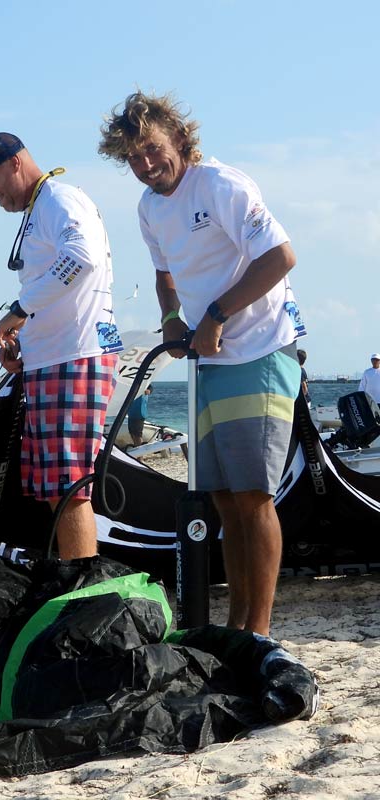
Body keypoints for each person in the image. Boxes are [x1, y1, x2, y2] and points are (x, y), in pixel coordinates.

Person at [99, 92, 305, 636]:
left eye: (152, 149)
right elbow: (166, 275)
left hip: (258, 352)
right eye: (133, 159)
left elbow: (280, 256)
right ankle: (236, 629)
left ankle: (256, 635)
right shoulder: (149, 208)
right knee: (224, 501)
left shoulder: (220, 185)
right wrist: (171, 316)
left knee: (254, 497)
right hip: (207, 365)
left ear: (179, 139)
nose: (145, 165)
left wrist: (215, 314)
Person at [0, 132, 121, 560]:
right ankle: (70, 578)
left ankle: (82, 588)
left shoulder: (59, 200)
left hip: (77, 355)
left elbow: (82, 257)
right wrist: (26, 345)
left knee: (68, 486)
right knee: (54, 485)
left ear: (14, 163)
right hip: (55, 358)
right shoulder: (39, 208)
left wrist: (20, 308)